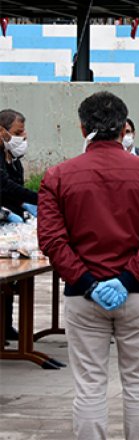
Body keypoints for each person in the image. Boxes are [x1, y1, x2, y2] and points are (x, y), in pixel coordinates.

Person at [37, 91, 139, 439]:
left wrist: (87, 282)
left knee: (89, 386)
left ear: (83, 127)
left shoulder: (57, 176)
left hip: (83, 295)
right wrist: (128, 277)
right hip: (138, 292)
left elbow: (53, 241)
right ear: (123, 128)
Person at [0, 108, 38, 344]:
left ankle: (6, 325)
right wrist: (41, 198)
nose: (22, 138)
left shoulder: (14, 160)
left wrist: (25, 209)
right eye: (17, 132)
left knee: (13, 277)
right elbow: (4, 187)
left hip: (10, 226)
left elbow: (16, 192)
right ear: (2, 131)